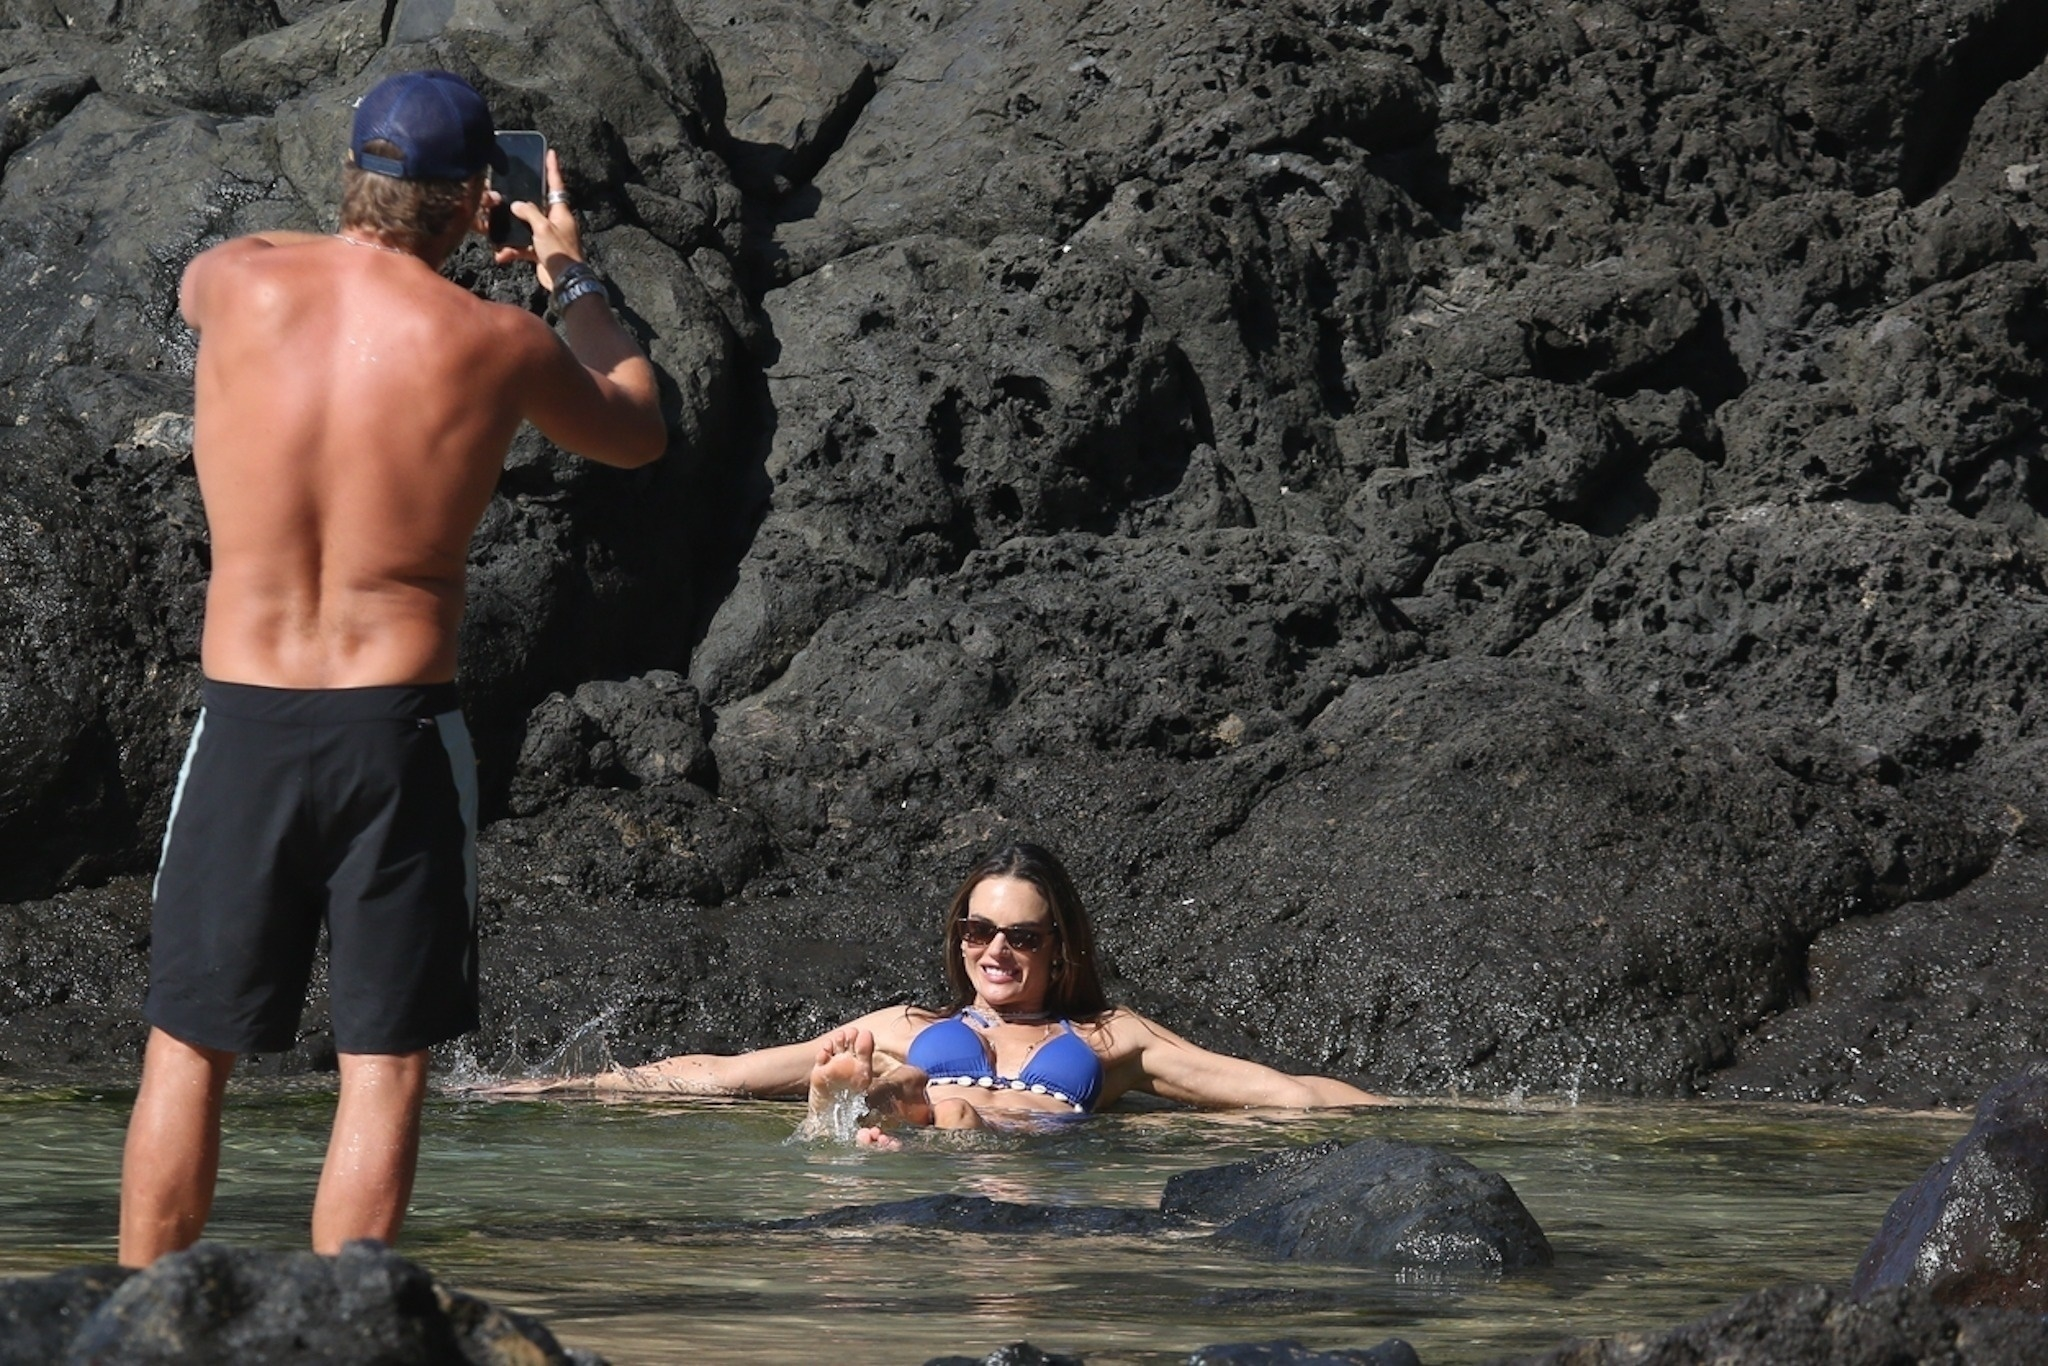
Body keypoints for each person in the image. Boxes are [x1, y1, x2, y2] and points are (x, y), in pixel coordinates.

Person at [117, 69, 666, 1268]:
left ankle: (131, 1326)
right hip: (394, 728)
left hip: (247, 716)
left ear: (354, 174)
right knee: (384, 1057)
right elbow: (637, 425)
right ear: (481, 200)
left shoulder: (238, 280)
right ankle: (346, 1331)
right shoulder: (496, 343)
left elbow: (200, 278)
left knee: (186, 1041)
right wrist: (566, 272)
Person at [496, 843, 1390, 1139]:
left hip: (1017, 1143)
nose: (994, 950)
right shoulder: (906, 1021)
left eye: (1021, 936)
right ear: (958, 937)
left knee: (941, 1105)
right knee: (907, 1090)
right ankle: (860, 1108)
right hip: (928, 1132)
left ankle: (866, 1111)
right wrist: (563, 1085)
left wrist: (1409, 1112)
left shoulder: (1112, 1039)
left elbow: (1284, 1094)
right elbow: (724, 1073)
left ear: (1061, 944)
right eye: (977, 930)